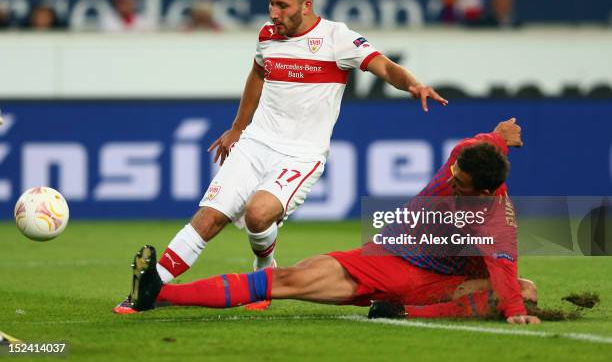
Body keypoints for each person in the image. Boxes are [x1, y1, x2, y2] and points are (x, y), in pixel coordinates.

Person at [114, 0, 447, 313]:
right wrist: (238, 128)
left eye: (282, 5)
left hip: (301, 156)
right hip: (256, 142)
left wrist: (413, 84)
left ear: (306, 5)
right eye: (271, 3)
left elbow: (385, 67)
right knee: (210, 217)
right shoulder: (267, 36)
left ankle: (264, 269)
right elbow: (258, 73)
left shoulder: (338, 39)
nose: (274, 13)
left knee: (259, 216)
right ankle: (148, 290)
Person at [119, 118, 541, 324]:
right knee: (286, 280)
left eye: (460, 184)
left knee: (520, 291)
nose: (451, 181)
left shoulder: (495, 222)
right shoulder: (466, 156)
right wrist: (502, 133)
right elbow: (491, 140)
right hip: (383, 256)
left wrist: (517, 311)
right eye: (453, 173)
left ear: (485, 193)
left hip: (436, 283)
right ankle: (158, 295)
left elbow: (504, 270)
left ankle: (405, 314)